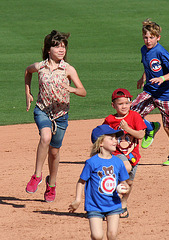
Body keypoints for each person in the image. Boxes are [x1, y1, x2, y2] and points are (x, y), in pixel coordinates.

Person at [25, 30, 86, 202]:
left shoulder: (68, 69)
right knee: (45, 137)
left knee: (54, 151)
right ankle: (37, 175)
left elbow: (83, 91)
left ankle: (51, 184)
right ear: (48, 49)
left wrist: (73, 89)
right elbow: (27, 72)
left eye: (64, 47)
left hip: (61, 115)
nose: (61, 50)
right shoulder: (40, 66)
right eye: (57, 46)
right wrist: (28, 93)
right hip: (42, 110)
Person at [131, 18, 169, 166]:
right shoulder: (144, 49)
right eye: (145, 37)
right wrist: (142, 78)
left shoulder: (161, 52)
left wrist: (162, 78)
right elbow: (148, 66)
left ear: (158, 37)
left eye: (151, 37)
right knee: (132, 113)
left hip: (166, 94)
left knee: (168, 126)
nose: (148, 40)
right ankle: (151, 127)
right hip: (150, 90)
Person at [68, 125, 130, 240]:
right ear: (100, 142)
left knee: (112, 235)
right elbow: (81, 181)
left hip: (113, 204)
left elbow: (124, 182)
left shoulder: (118, 162)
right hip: (94, 206)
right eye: (111, 138)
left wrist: (125, 187)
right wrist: (77, 199)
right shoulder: (91, 162)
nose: (115, 141)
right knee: (97, 236)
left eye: (115, 138)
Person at [103, 88, 146, 218]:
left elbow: (141, 134)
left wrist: (127, 128)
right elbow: (102, 135)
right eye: (120, 104)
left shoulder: (135, 116)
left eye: (126, 103)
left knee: (129, 183)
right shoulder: (110, 120)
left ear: (131, 103)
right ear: (113, 105)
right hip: (116, 154)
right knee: (125, 168)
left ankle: (123, 203)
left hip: (133, 156)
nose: (124, 106)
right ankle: (109, 203)